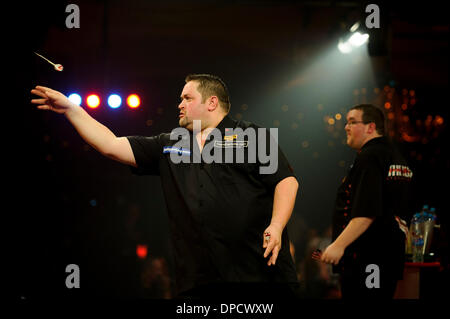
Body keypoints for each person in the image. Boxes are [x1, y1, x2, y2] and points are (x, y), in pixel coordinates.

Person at [31, 74, 300, 299]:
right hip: (199, 282)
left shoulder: (250, 136)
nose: (179, 104)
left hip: (260, 277)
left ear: (212, 102)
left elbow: (286, 181)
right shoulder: (172, 143)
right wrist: (71, 110)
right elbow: (111, 145)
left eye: (187, 98)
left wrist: (276, 225)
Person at [317, 104, 412, 299]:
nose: (346, 127)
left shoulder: (370, 156)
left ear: (371, 127)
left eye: (352, 122)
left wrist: (338, 245)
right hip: (389, 255)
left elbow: (367, 210)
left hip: (368, 257)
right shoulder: (396, 156)